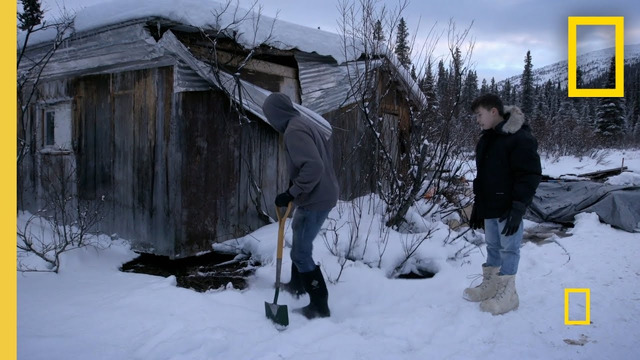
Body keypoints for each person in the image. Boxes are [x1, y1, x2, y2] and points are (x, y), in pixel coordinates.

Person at [262, 92, 339, 319]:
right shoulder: (302, 124)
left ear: (276, 114)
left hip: (316, 198)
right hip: (316, 194)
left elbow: (313, 166)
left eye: (269, 116)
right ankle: (297, 285)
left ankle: (319, 306)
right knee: (299, 240)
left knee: (301, 252)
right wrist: (293, 190)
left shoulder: (294, 131)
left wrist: (291, 193)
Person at [464, 93, 542, 315]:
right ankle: (492, 286)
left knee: (510, 248)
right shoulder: (487, 138)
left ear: (493, 112)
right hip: (490, 205)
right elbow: (484, 175)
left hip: (509, 206)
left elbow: (531, 174)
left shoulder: (519, 138)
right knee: (492, 246)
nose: (477, 120)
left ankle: (509, 294)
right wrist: (479, 205)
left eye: (479, 115)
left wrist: (519, 206)